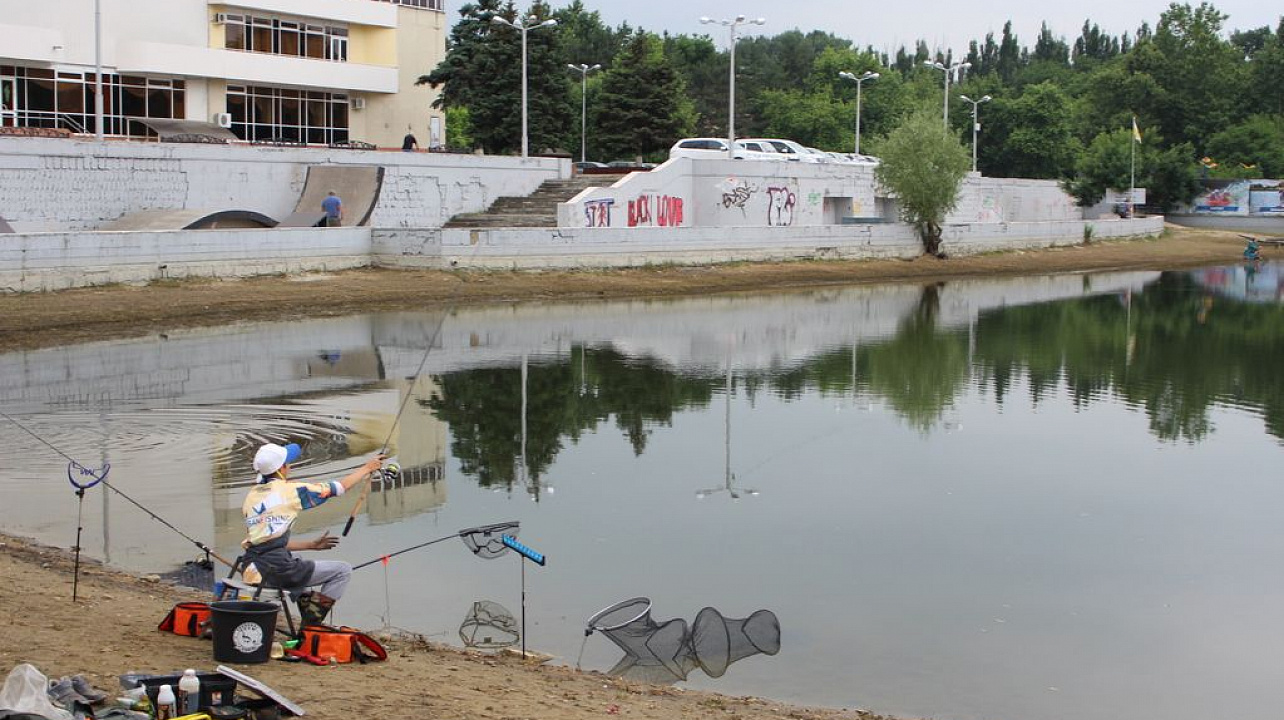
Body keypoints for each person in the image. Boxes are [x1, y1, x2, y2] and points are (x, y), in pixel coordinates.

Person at [241, 442, 385, 627]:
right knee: (343, 570)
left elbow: (264, 542)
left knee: (298, 559)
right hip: (275, 571)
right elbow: (339, 488)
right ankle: (310, 625)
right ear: (281, 468)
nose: (290, 466)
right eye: (288, 463)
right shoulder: (291, 491)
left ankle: (308, 613)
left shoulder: (251, 495)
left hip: (251, 568)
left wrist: (311, 545)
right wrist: (368, 467)